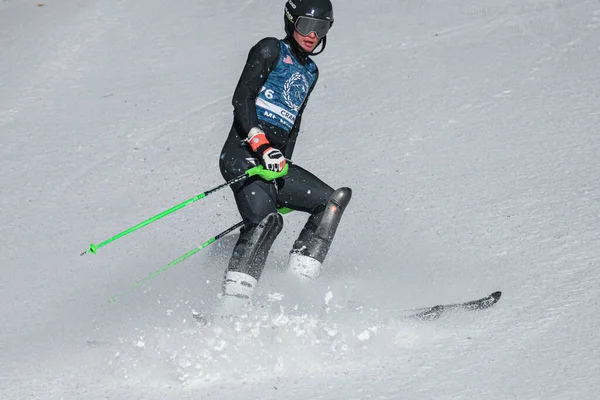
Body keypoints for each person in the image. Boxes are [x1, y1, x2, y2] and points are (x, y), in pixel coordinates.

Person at [216, 0, 351, 317]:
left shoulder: (310, 71)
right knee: (266, 222)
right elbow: (242, 99)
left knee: (331, 202)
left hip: (272, 160)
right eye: (306, 25)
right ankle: (230, 313)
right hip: (242, 153)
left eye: (322, 28)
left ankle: (295, 296)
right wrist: (261, 146)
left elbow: (293, 126)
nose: (313, 35)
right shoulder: (270, 50)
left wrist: (280, 176)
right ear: (291, 22)